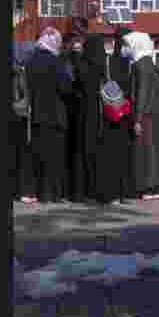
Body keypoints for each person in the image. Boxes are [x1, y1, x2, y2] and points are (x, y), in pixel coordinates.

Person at [79, 34, 131, 204]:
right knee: (109, 157)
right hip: (109, 115)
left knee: (91, 155)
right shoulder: (108, 63)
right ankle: (113, 193)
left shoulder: (83, 66)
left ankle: (94, 193)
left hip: (90, 116)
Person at [123, 31, 159, 200]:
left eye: (128, 46)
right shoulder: (149, 63)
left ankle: (148, 187)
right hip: (156, 113)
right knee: (157, 149)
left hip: (145, 115)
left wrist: (137, 118)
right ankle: (158, 184)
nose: (126, 49)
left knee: (146, 151)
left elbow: (141, 92)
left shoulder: (139, 66)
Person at [24, 27, 73, 203]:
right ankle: (53, 193)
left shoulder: (30, 61)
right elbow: (66, 88)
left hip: (37, 114)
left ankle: (40, 192)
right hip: (55, 115)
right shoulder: (56, 62)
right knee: (55, 158)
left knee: (40, 156)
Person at [107, 26, 137, 200]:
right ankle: (126, 190)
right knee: (126, 153)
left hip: (113, 109)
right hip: (126, 111)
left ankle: (116, 189)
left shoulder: (109, 61)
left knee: (115, 152)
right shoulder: (131, 62)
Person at [62, 33, 91, 202]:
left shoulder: (65, 61)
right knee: (77, 152)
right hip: (77, 112)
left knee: (70, 152)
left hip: (69, 111)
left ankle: (70, 189)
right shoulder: (81, 64)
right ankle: (78, 191)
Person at [11, 42, 38, 204]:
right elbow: (22, 96)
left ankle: (18, 191)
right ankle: (23, 191)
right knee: (23, 156)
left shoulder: (16, 69)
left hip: (16, 117)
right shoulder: (19, 71)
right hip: (21, 117)